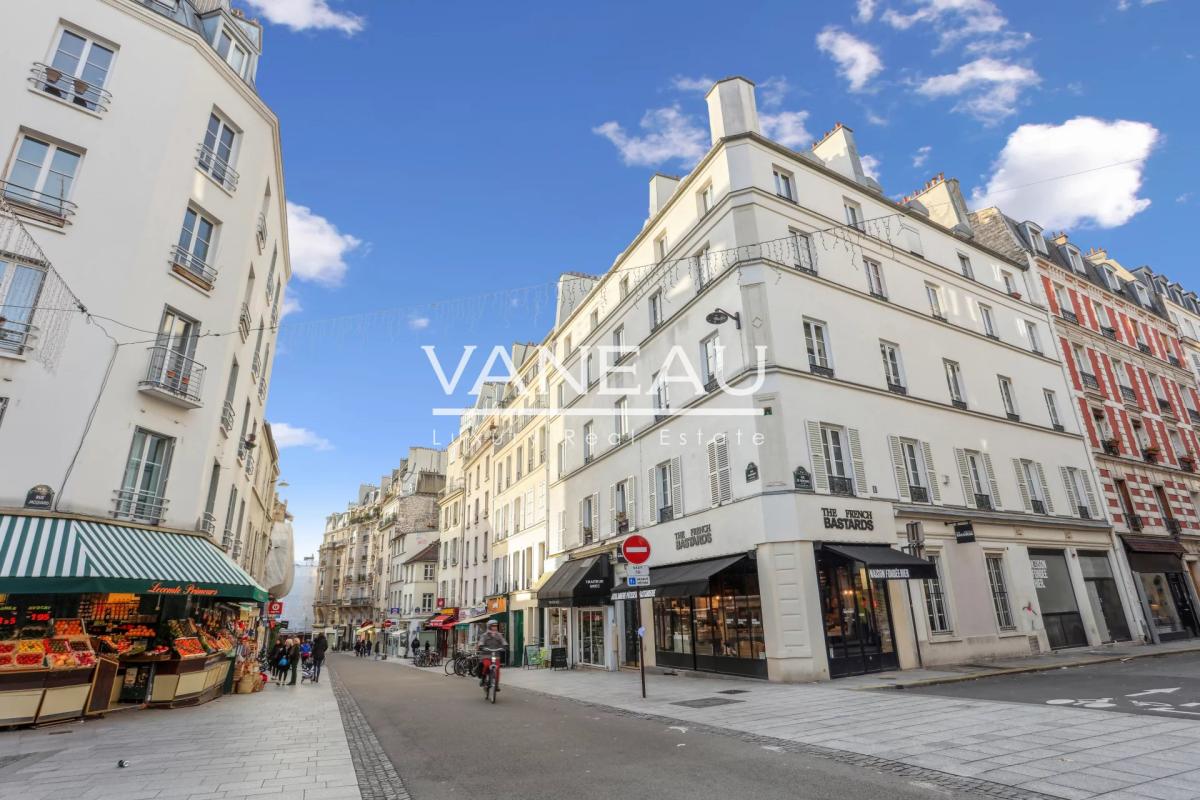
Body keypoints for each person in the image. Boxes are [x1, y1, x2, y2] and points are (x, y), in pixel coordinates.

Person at [476, 620, 508, 687]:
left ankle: (496, 684)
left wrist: (505, 645)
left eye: (496, 626)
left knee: (497, 669)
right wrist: (481, 646)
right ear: (489, 626)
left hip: (496, 655)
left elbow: (503, 641)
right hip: (486, 655)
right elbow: (481, 641)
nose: (495, 627)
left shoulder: (499, 635)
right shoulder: (484, 635)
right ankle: (483, 678)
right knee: (487, 665)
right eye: (493, 626)